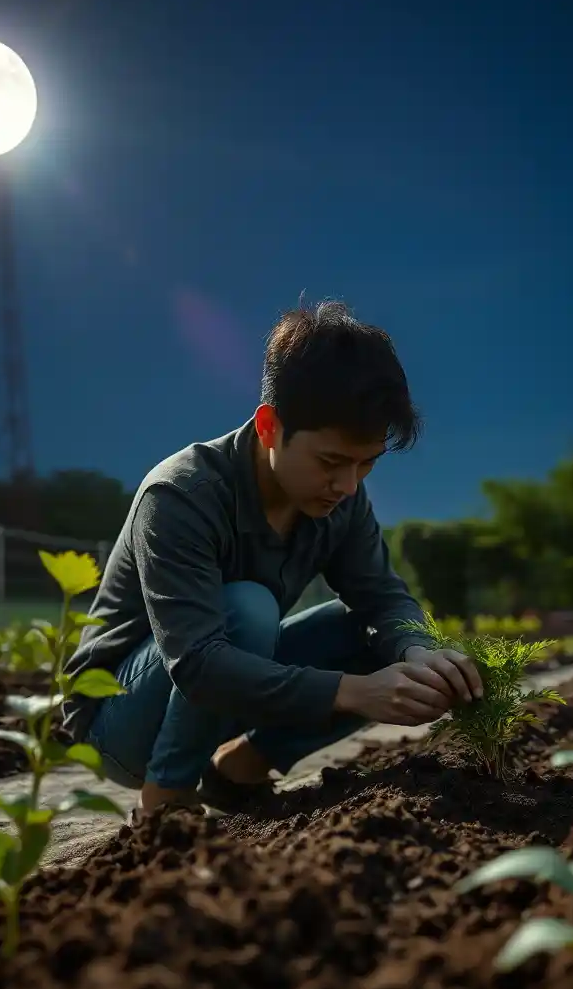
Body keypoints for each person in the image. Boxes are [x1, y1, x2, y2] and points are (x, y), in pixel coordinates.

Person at [62, 300, 483, 817]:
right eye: (331, 462)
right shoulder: (182, 494)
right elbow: (196, 664)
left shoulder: (340, 497)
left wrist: (418, 651)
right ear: (268, 427)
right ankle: (165, 802)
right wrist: (353, 693)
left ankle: (239, 770)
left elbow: (382, 596)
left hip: (220, 696)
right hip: (121, 723)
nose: (348, 485)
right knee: (248, 608)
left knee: (377, 638)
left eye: (366, 465)